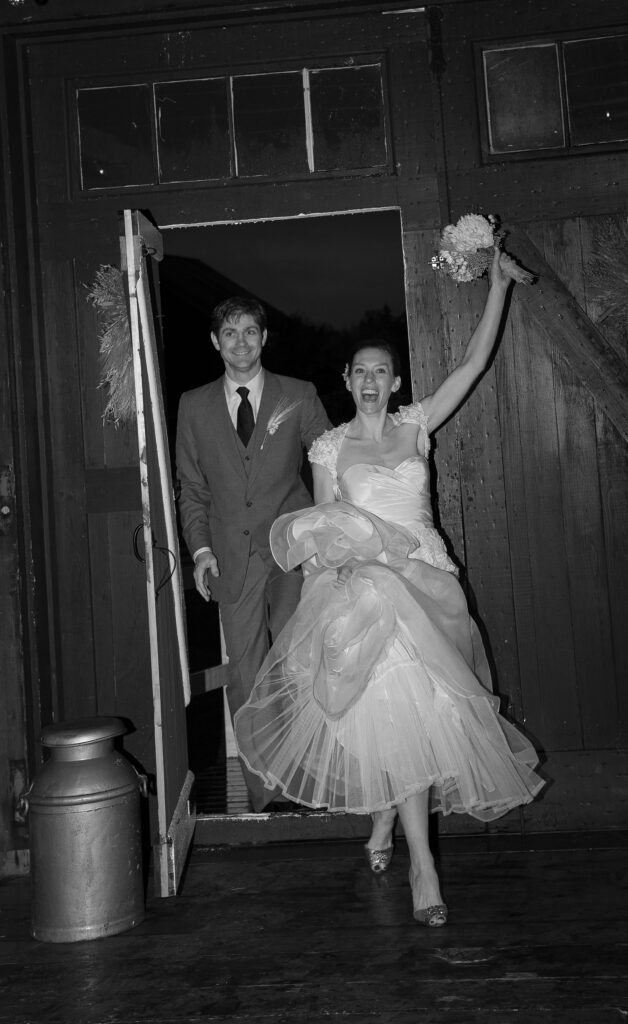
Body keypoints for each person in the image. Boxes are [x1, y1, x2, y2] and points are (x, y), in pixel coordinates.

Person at [234, 250, 545, 924]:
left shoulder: (415, 427)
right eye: (360, 372)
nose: (371, 380)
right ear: (346, 381)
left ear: (396, 379)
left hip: (429, 584)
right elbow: (319, 528)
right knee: (398, 712)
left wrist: (495, 290)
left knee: (422, 717)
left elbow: (473, 366)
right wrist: (330, 572)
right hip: (365, 591)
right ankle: (422, 870)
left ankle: (382, 825)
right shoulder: (330, 450)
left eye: (382, 371)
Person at [175, 295, 330, 811]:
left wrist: (330, 534)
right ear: (215, 342)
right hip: (229, 560)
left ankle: (306, 776)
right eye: (230, 332)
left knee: (293, 662)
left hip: (292, 552)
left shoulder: (300, 394)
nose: (240, 341)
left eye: (250, 332)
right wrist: (199, 552)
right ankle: (266, 791)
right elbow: (191, 489)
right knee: (244, 674)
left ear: (264, 339)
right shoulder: (192, 406)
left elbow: (328, 462)